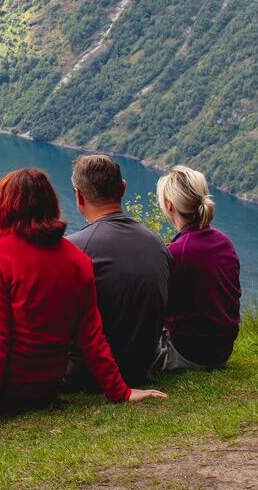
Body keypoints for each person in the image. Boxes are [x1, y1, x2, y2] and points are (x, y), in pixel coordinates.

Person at [0, 169, 166, 435]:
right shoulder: (77, 260)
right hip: (44, 388)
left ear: (6, 207)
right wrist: (119, 391)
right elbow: (91, 336)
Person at [65, 154, 170, 387]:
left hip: (89, 374)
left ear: (79, 196)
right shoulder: (156, 243)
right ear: (123, 189)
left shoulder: (74, 249)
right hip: (142, 366)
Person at [155, 165, 242, 372]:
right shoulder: (224, 242)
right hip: (221, 350)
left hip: (188, 353)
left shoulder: (176, 252)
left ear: (169, 205)